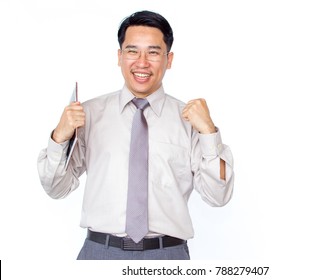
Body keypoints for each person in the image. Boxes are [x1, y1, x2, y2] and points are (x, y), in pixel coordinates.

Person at [37, 10, 234, 260]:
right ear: (120, 57)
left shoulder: (190, 120)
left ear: (169, 59)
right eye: (132, 51)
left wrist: (209, 132)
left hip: (168, 256)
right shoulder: (88, 114)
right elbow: (55, 188)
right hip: (100, 254)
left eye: (153, 52)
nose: (142, 62)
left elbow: (219, 197)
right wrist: (59, 137)